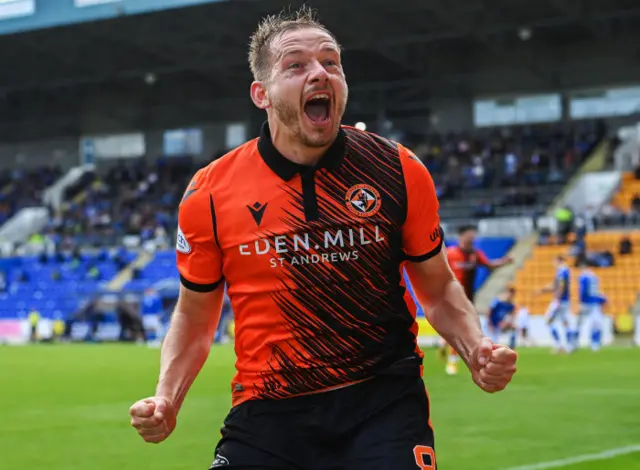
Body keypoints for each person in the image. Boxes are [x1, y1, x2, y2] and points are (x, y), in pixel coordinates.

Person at [128, 7, 518, 469]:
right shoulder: (210, 193)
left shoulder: (397, 168)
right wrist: (167, 398)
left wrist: (475, 348)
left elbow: (437, 285)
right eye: (295, 65)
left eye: (331, 62)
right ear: (262, 94)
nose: (320, 73)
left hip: (382, 401)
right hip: (268, 409)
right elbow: (195, 315)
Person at [441, 225, 513, 374]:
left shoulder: (475, 254)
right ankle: (452, 361)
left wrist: (504, 262)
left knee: (461, 330)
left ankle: (445, 343)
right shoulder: (450, 254)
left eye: (473, 236)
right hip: (452, 298)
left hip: (468, 299)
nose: (472, 238)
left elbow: (489, 266)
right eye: (470, 235)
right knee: (460, 330)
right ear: (461, 236)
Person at [536, 255, 576, 353]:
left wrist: (558, 298)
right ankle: (569, 346)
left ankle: (558, 345)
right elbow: (555, 285)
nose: (553, 264)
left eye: (554, 262)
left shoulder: (562, 271)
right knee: (565, 322)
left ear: (559, 261)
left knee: (549, 320)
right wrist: (542, 290)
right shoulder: (565, 271)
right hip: (565, 300)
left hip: (560, 300)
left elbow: (560, 285)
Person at [577, 259, 606, 351]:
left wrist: (580, 302)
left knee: (580, 323)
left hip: (586, 303)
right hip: (593, 303)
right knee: (596, 323)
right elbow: (595, 292)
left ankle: (573, 343)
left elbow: (582, 291)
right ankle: (595, 343)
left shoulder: (583, 277)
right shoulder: (594, 277)